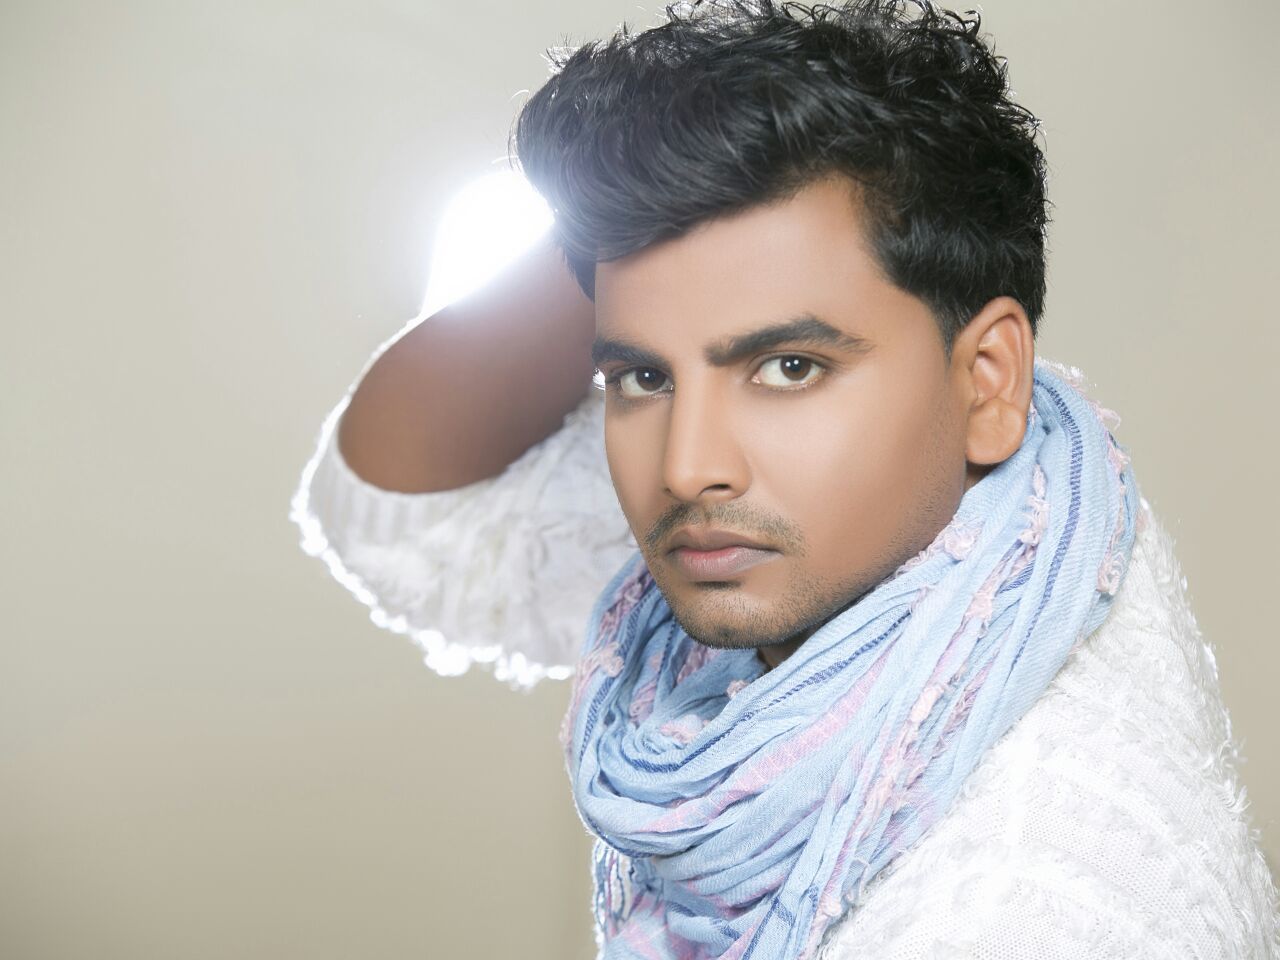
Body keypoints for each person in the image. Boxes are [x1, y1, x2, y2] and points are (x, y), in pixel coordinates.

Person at [291, 0, 1280, 956]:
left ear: (989, 382)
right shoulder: (1001, 509)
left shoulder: (1016, 909)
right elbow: (398, 518)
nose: (688, 468)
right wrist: (635, 200)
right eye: (640, 376)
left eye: (789, 367)